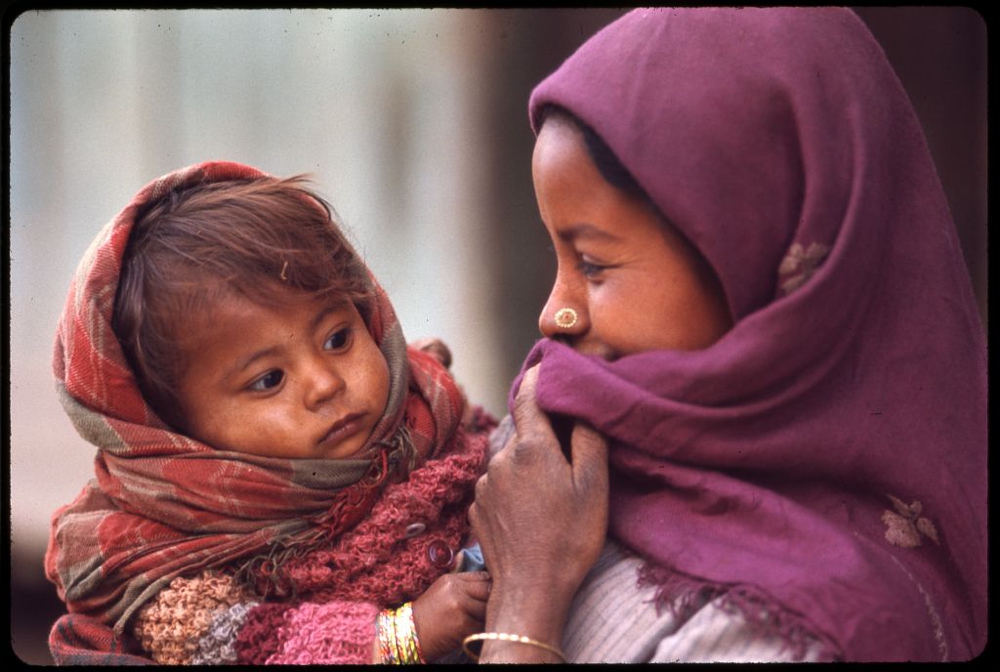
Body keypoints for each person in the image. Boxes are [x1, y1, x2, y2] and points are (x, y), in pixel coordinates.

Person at [467, 7, 986, 663]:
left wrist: (527, 603)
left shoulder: (815, 633)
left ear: (754, 258)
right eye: (557, 259)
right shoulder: (561, 452)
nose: (553, 315)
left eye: (593, 264)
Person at [44, 161, 495, 665]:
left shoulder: (431, 415)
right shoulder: (157, 558)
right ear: (172, 433)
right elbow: (237, 644)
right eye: (269, 380)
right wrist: (401, 636)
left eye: (338, 338)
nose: (326, 385)